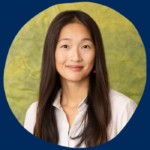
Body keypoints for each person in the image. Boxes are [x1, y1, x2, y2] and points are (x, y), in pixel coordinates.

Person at [24, 10, 137, 148]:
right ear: (51, 53)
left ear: (96, 53)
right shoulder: (35, 113)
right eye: (65, 46)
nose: (76, 57)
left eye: (85, 46)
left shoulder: (123, 109)